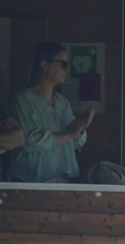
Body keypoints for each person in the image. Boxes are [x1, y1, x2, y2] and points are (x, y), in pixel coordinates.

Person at [7, 41, 95, 183]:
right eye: (63, 65)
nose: (66, 70)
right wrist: (69, 134)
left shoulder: (62, 102)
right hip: (33, 184)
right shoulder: (23, 100)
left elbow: (76, 142)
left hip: (65, 182)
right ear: (45, 65)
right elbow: (30, 141)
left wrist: (80, 127)